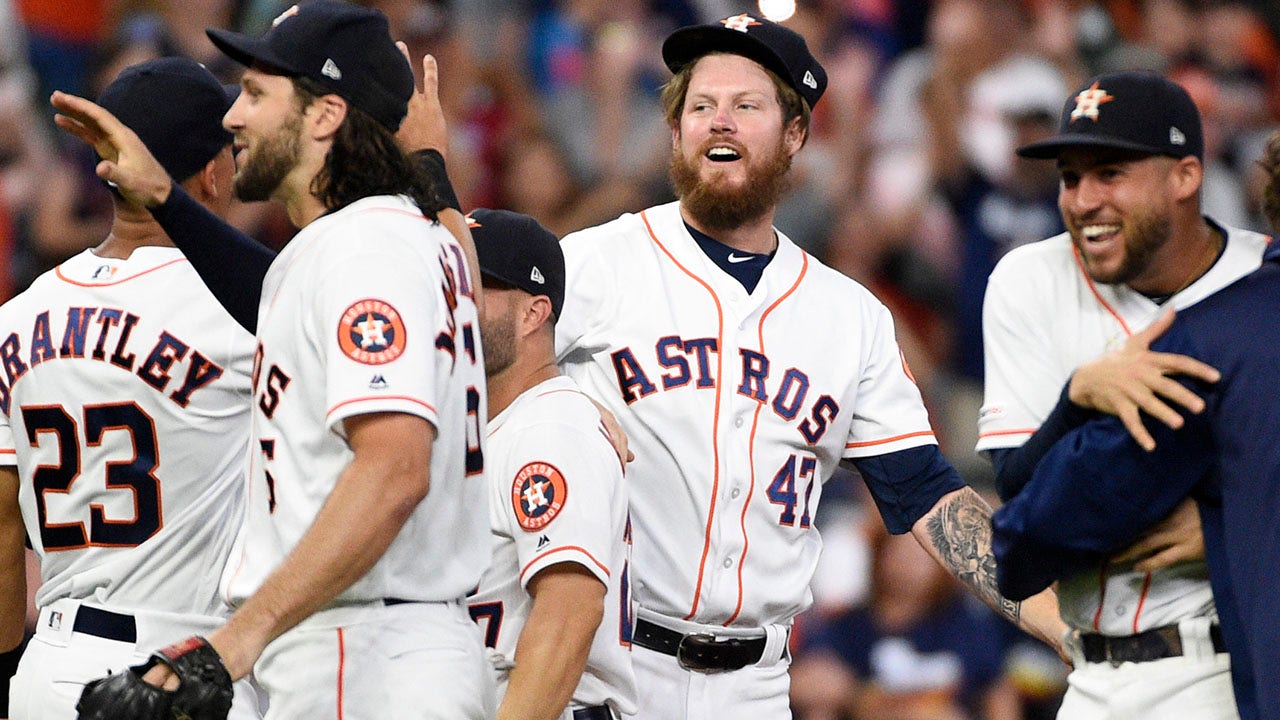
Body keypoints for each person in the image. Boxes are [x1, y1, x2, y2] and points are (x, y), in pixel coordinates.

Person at [553, 14, 1064, 719]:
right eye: (700, 106)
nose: (719, 122)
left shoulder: (848, 317)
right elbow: (480, 378)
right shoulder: (594, 265)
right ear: (676, 131)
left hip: (756, 687)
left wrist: (1056, 621)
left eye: (746, 105)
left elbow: (923, 492)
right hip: (609, 669)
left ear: (795, 135)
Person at [52, 2, 492, 717]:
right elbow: (290, 304)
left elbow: (394, 467)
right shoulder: (409, 241)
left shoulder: (365, 247)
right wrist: (165, 197)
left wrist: (230, 644)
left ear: (323, 117)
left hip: (363, 651)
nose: (233, 117)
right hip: (380, 642)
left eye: (258, 94)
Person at [977, 70, 1273, 720]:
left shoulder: (1261, 279)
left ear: (1185, 177)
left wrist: (1238, 523)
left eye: (1108, 173)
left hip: (1226, 667)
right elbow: (1019, 503)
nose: (1082, 199)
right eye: (1070, 177)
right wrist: (1078, 400)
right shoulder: (1028, 281)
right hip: (1090, 672)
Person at [0, 57, 263, 720]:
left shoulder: (18, 316)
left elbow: (2, 526)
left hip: (51, 662)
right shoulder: (239, 313)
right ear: (211, 172)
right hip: (182, 670)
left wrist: (6, 678)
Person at [464, 208, 636, 720]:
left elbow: (569, 611)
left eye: (473, 289)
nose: (450, 306)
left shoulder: (552, 428)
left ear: (533, 313)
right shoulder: (494, 423)